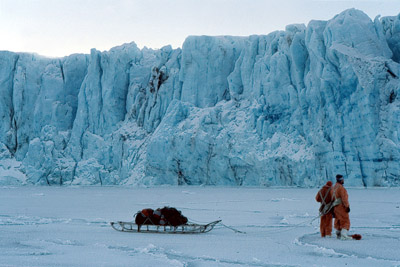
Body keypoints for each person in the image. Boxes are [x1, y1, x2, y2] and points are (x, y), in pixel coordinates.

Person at [332, 174, 352, 240]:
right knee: (345, 220)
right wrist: (347, 206)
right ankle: (343, 235)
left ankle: (338, 233)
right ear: (341, 180)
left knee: (338, 219)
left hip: (335, 207)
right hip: (341, 206)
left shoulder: (334, 187)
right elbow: (344, 198)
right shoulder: (341, 188)